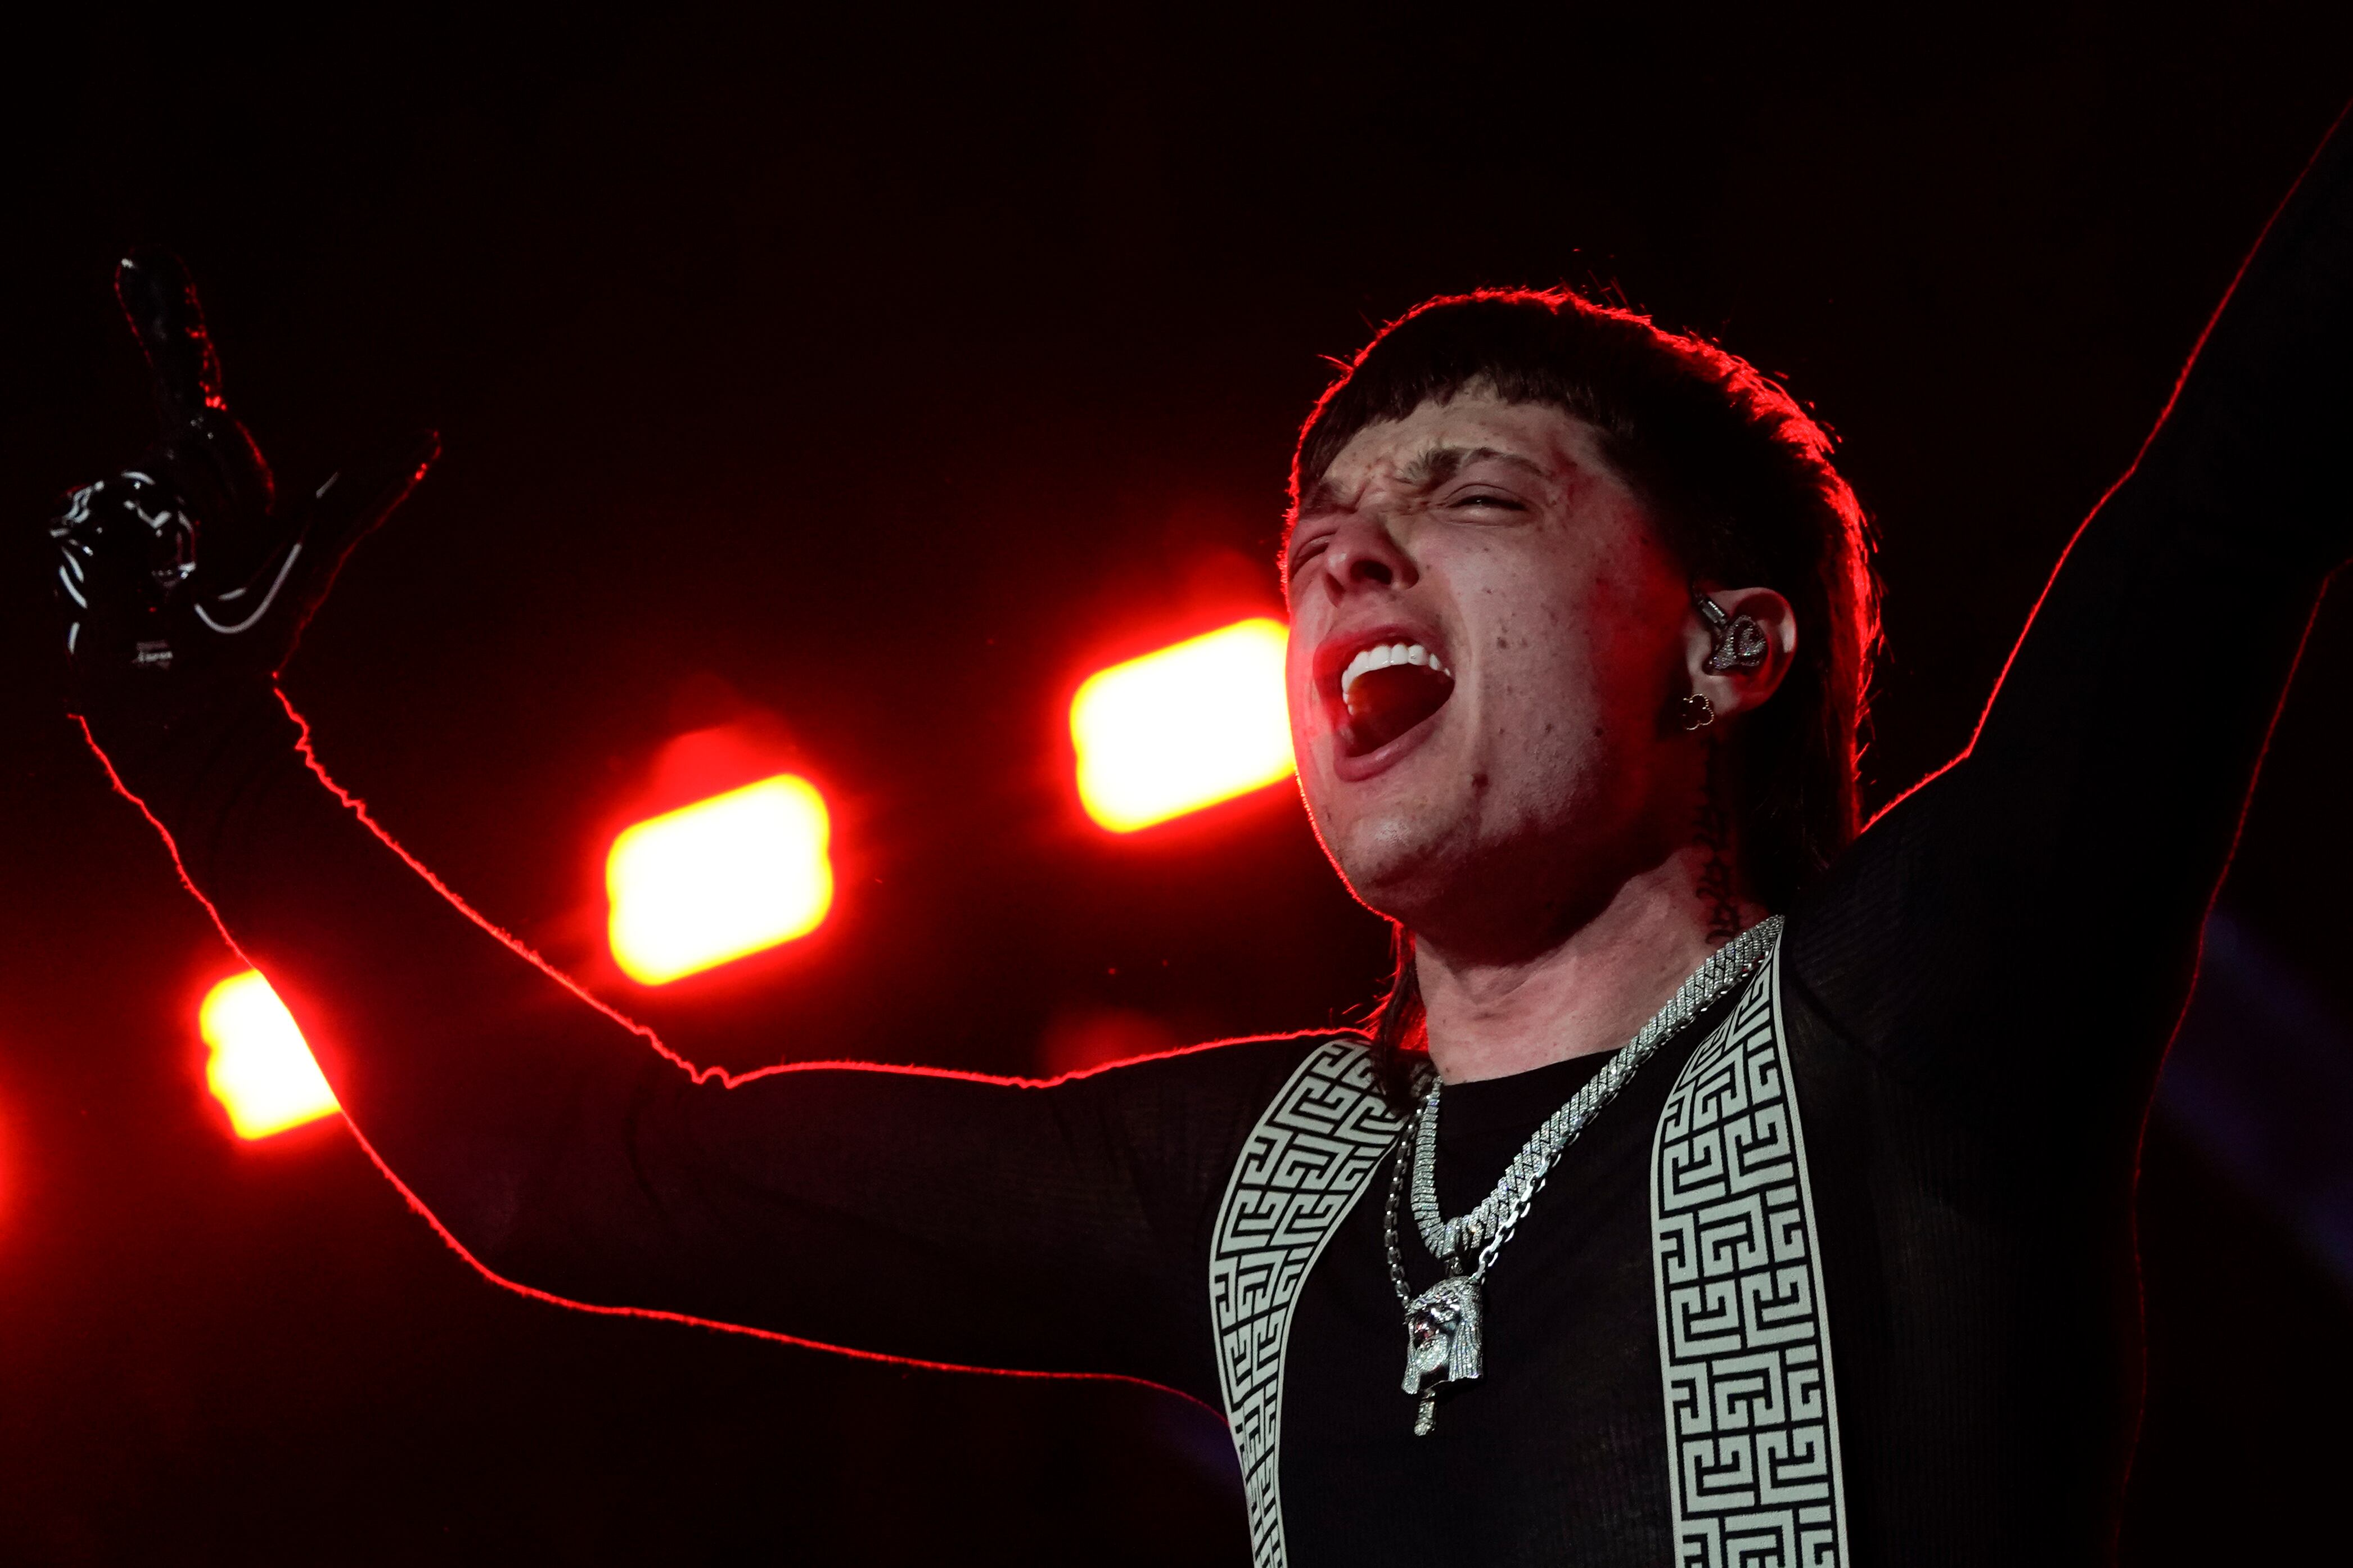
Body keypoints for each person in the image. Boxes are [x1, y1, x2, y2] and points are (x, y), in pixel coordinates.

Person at [43, 106, 2350, 1565]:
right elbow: (583, 1163)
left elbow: (2233, 491)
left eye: (1463, 498)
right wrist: (202, 751)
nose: (1348, 566)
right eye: (1314, 542)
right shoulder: (1257, 1187)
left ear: (1726, 649)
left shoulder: (1907, 1027)